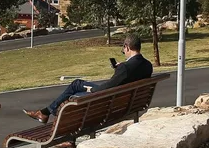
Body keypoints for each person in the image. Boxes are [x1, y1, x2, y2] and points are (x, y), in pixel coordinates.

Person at [23, 34, 153, 124]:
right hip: (127, 102)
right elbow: (128, 77)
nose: (123, 52)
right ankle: (44, 112)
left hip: (107, 101)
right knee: (77, 85)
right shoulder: (148, 66)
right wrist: (119, 69)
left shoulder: (125, 68)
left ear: (127, 47)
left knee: (74, 89)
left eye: (123, 49)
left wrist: (91, 89)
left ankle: (46, 113)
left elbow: (106, 88)